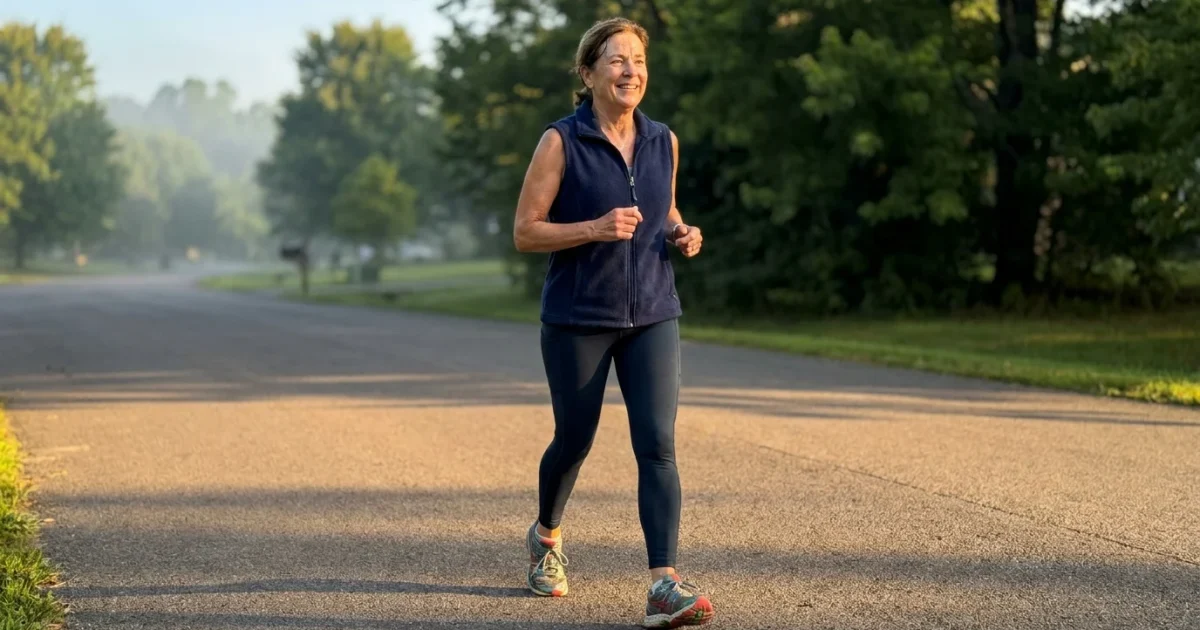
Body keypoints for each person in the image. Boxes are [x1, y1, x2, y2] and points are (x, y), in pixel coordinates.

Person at [511, 16, 714, 629]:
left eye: (639, 61)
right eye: (618, 60)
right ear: (588, 72)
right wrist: (594, 228)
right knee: (574, 439)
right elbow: (526, 232)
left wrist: (679, 230)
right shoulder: (560, 141)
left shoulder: (662, 140)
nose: (631, 71)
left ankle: (663, 586)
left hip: (653, 312)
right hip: (578, 317)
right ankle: (546, 536)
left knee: (657, 444)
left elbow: (665, 205)